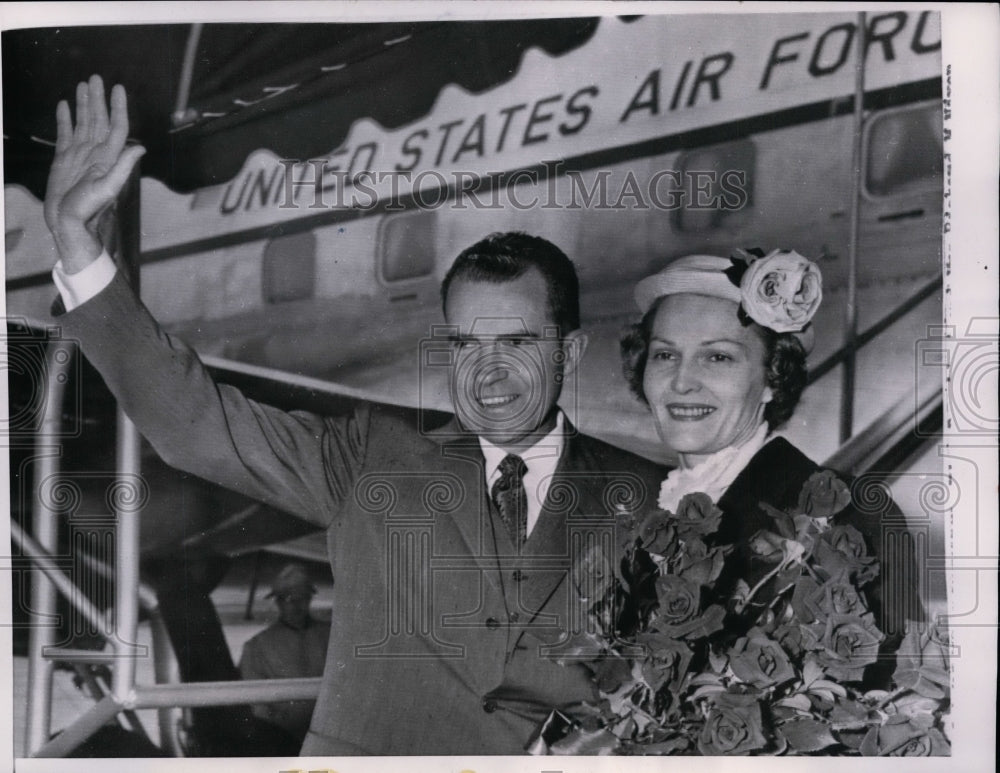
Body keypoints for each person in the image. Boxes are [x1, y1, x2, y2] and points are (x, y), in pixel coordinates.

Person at [42, 76, 666, 755]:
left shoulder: (645, 499)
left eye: (516, 342)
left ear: (569, 349)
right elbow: (193, 420)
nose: (488, 371)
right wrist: (77, 244)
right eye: (466, 344)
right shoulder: (372, 456)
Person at [620, 251, 925, 684]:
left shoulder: (849, 515)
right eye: (665, 355)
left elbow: (892, 692)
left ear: (771, 380)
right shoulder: (643, 505)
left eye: (718, 357)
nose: (682, 381)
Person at [238, 563, 330, 746]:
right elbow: (258, 707)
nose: (297, 605)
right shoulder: (256, 648)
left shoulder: (333, 636)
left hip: (332, 737)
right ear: (278, 602)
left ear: (310, 599)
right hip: (284, 742)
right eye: (289, 599)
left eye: (302, 598)